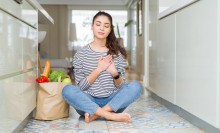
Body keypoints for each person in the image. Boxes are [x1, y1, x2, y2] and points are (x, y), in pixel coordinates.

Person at [62, 11, 142, 123]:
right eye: (98, 24)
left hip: (113, 102)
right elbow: (80, 87)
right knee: (67, 90)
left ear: (110, 29)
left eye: (106, 26)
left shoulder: (117, 53)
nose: (102, 28)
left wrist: (114, 73)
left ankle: (96, 114)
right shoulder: (80, 54)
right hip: (89, 101)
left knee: (136, 86)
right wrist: (99, 69)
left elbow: (121, 86)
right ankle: (110, 116)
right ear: (92, 26)